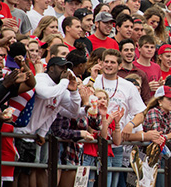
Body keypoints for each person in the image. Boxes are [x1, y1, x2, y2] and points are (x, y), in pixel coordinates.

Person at [14, 57, 80, 187]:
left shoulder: (60, 87)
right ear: (51, 68)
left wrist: (74, 91)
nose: (64, 71)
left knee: (27, 173)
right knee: (15, 173)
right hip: (17, 132)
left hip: (31, 135)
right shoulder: (42, 79)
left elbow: (74, 111)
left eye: (66, 68)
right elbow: (45, 94)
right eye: (61, 67)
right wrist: (64, 82)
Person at [90, 49, 146, 187]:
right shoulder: (92, 81)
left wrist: (130, 124)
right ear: (101, 63)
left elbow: (141, 113)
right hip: (93, 142)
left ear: (119, 66)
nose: (109, 65)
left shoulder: (128, 86)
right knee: (91, 181)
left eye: (113, 62)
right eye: (106, 62)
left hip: (116, 143)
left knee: (113, 183)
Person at [80, 89, 124, 187]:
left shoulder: (109, 117)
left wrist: (116, 123)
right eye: (99, 98)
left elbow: (117, 141)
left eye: (105, 98)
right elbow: (96, 134)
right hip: (89, 154)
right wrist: (105, 120)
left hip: (105, 155)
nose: (103, 100)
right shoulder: (88, 115)